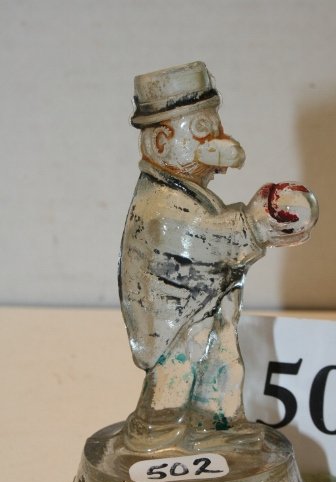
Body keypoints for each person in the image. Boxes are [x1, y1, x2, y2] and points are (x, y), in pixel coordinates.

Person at [119, 62, 318, 450]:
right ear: (160, 143)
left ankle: (219, 426)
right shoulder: (159, 207)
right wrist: (258, 221)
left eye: (216, 125)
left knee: (223, 367)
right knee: (175, 380)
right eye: (201, 129)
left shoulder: (186, 192)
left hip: (210, 307)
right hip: (177, 324)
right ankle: (156, 432)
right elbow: (211, 236)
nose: (220, 139)